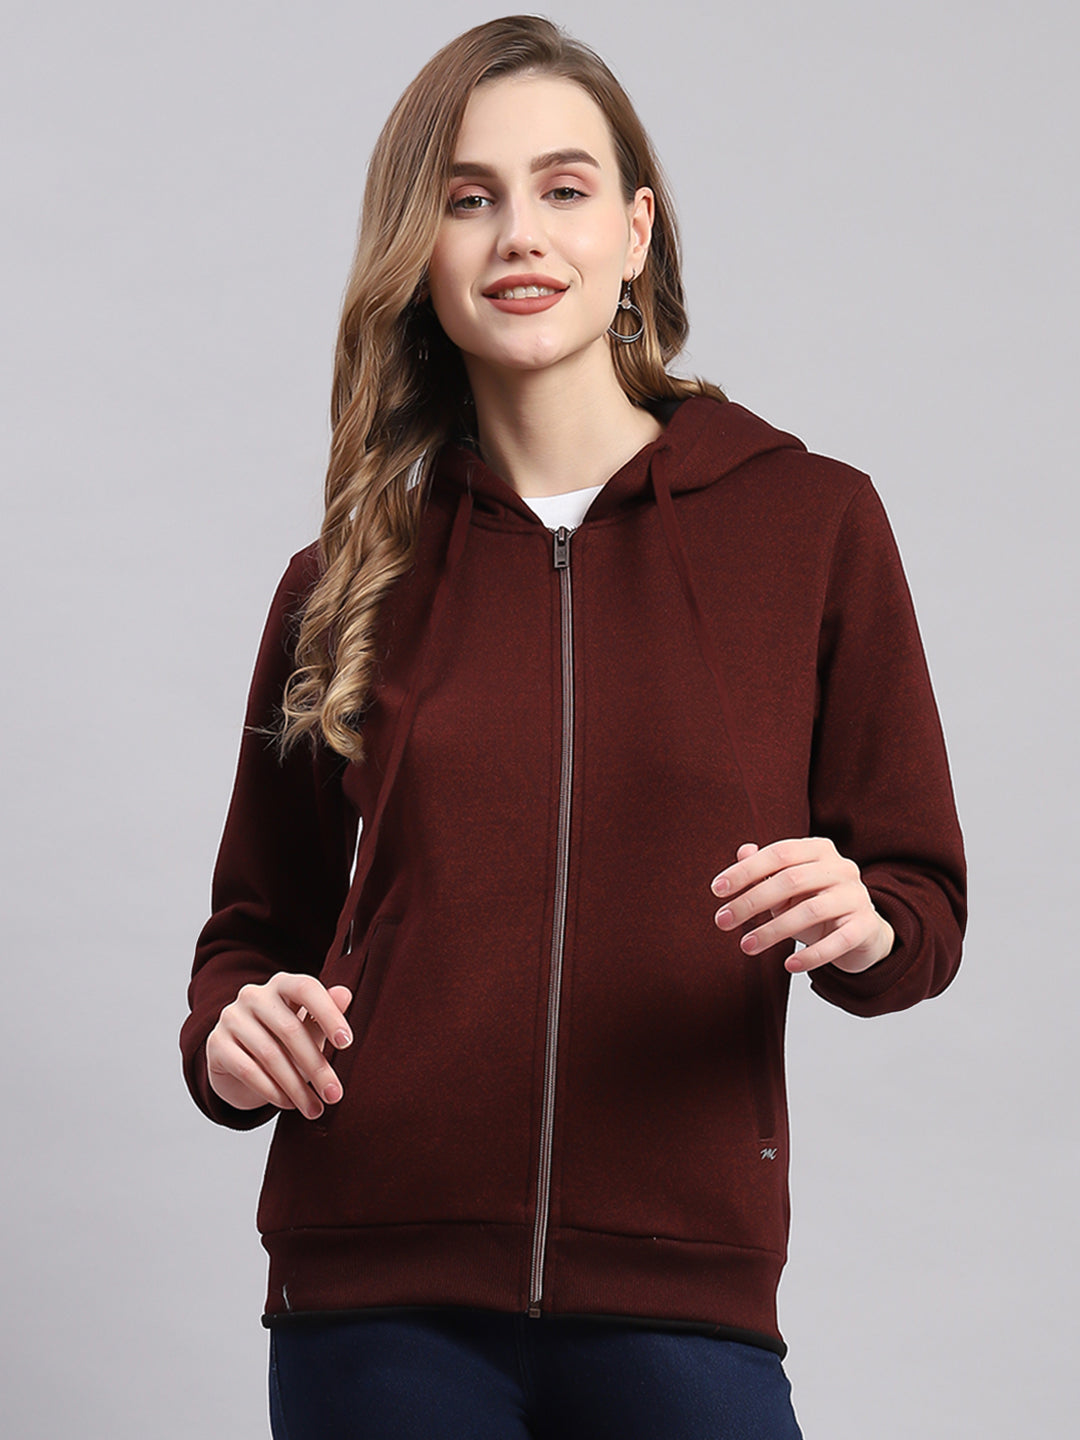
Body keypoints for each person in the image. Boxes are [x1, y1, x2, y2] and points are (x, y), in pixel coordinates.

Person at [180, 15, 966, 1438]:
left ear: (634, 231)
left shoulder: (809, 525)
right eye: (468, 199)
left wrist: (867, 920)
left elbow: (921, 900)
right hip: (376, 1299)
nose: (519, 235)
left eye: (563, 188)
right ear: (421, 251)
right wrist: (232, 1033)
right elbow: (251, 933)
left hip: (684, 1289)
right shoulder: (346, 578)